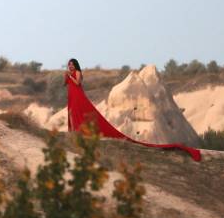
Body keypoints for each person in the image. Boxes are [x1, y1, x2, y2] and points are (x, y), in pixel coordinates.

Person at [65, 57, 202, 161]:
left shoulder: (77, 72)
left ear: (75, 65)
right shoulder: (71, 73)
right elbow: (69, 84)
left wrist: (70, 76)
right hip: (72, 95)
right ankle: (75, 129)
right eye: (69, 64)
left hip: (78, 95)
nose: (70, 66)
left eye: (71, 64)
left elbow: (77, 82)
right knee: (74, 111)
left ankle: (79, 129)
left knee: (80, 111)